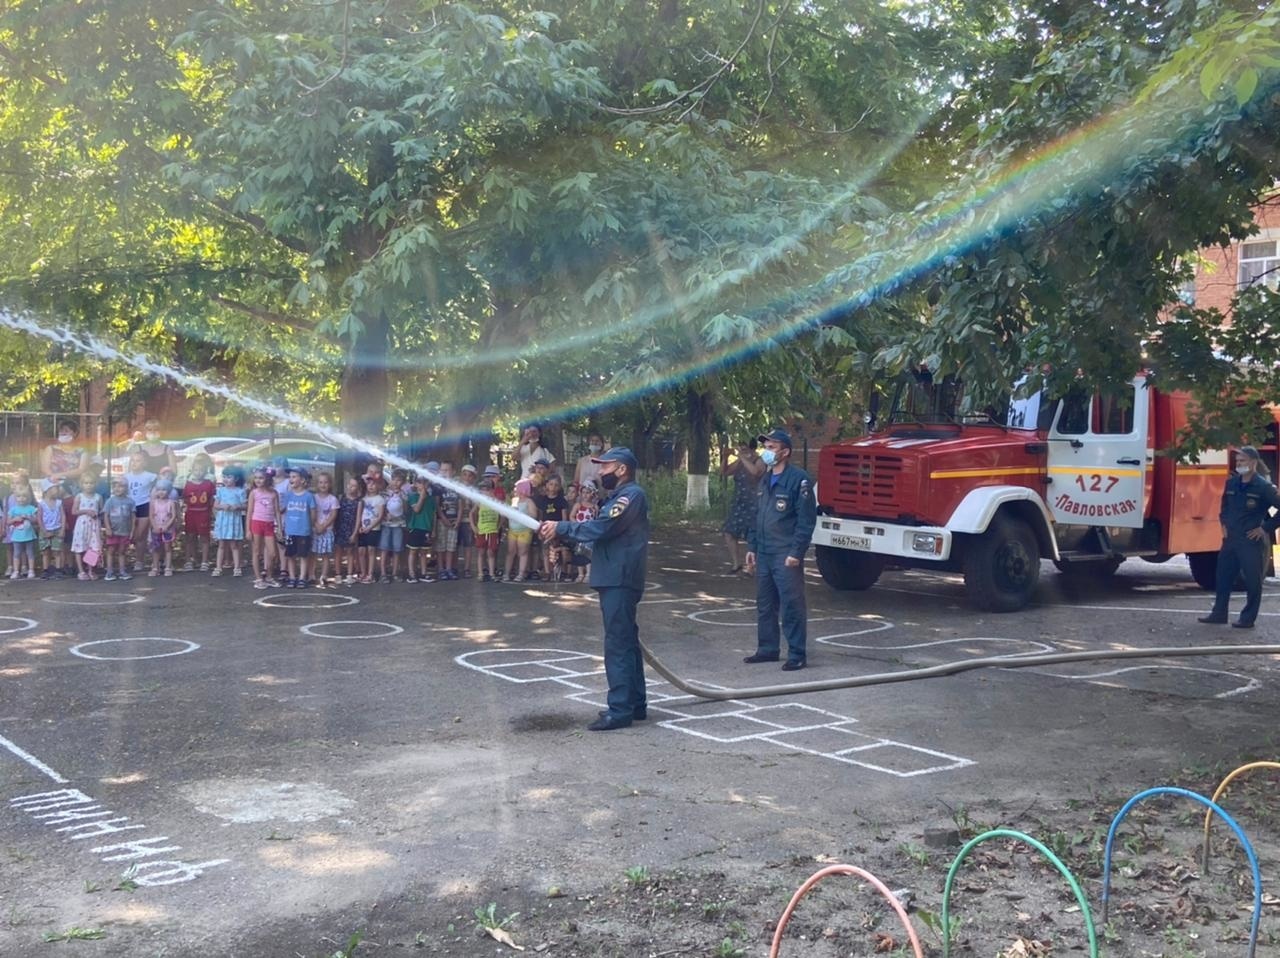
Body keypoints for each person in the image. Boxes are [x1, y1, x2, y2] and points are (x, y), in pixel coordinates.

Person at [540, 447, 649, 731]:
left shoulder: (630, 497)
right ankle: (635, 704)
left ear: (622, 469)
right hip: (614, 576)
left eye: (605, 467)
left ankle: (620, 710)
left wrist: (562, 527)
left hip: (620, 579)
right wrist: (565, 545)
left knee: (618, 645)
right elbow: (598, 543)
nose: (600, 472)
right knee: (626, 642)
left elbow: (601, 528)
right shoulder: (616, 497)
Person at [744, 429, 816, 671]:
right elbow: (757, 516)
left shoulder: (799, 480)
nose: (767, 451)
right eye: (767, 447)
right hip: (764, 551)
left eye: (772, 447)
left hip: (785, 553)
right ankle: (767, 649)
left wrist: (797, 552)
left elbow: (806, 521)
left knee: (791, 604)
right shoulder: (765, 479)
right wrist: (752, 547)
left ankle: (797, 653)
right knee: (765, 603)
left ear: (785, 452)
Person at [1198, 445, 1280, 629]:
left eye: (1243, 461)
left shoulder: (1263, 487)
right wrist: (1223, 524)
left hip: (1251, 541)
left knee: (1252, 581)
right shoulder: (1232, 483)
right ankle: (1219, 613)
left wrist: (1265, 528)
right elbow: (1224, 506)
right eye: (1237, 461)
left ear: (1253, 462)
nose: (1239, 464)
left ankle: (1247, 618)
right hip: (1231, 539)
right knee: (1223, 577)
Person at [721, 439, 765, 574]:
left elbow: (756, 472)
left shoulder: (759, 460)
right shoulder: (741, 462)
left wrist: (742, 457)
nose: (742, 452)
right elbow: (725, 472)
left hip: (755, 503)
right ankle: (736, 564)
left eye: (744, 450)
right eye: (740, 449)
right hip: (739, 502)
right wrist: (725, 457)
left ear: (752, 449)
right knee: (729, 531)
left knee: (753, 536)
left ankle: (751, 567)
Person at [278, 466, 317, 588]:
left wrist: (309, 527)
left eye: (294, 477)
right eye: (290, 477)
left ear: (303, 480)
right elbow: (282, 509)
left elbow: (313, 513)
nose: (291, 479)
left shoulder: (309, 496)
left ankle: (302, 578)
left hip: (303, 531)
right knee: (290, 555)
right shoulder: (288, 495)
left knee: (303, 555)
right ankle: (292, 577)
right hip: (290, 530)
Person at [181, 455, 216, 572]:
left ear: (205, 471)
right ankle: (190, 559)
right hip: (191, 514)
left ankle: (205, 561)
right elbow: (185, 499)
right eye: (196, 470)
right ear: (192, 470)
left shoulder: (208, 484)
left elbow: (212, 499)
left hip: (203, 513)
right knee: (190, 537)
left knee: (204, 538)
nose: (198, 472)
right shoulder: (188, 484)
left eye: (201, 470)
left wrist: (212, 512)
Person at [124, 450, 157, 572]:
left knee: (140, 536)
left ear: (145, 463)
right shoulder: (126, 477)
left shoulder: (151, 476)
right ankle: (125, 558)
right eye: (132, 460)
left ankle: (139, 560)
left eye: (138, 461)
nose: (134, 463)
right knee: (129, 534)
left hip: (144, 505)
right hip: (129, 507)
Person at [247, 467, 280, 588]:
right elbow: (249, 512)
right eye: (256, 478)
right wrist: (248, 530)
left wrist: (280, 528)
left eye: (261, 478)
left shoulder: (273, 493)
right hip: (256, 523)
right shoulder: (254, 493)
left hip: (269, 524)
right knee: (257, 551)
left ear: (267, 479)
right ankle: (258, 578)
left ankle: (269, 576)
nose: (258, 480)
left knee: (272, 553)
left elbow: (277, 511)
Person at [212, 466, 247, 577]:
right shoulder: (220, 490)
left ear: (236, 479)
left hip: (233, 521)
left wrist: (237, 507)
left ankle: (237, 567)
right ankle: (218, 567)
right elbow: (216, 505)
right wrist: (223, 506)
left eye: (229, 477)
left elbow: (245, 505)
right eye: (224, 477)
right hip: (223, 520)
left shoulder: (240, 491)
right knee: (221, 545)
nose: (226, 479)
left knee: (234, 545)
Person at [69, 472, 103, 581]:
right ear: (81, 484)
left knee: (92, 547)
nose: (89, 485)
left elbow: (101, 510)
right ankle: (81, 571)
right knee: (80, 547)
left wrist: (97, 514)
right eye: (86, 483)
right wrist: (86, 511)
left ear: (95, 484)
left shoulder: (98, 497)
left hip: (93, 525)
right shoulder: (79, 496)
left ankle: (91, 570)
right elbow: (74, 511)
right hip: (82, 525)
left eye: (91, 483)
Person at [103, 478, 136, 581]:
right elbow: (106, 515)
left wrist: (132, 531)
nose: (118, 488)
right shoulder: (110, 501)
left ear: (126, 488)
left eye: (121, 486)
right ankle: (109, 571)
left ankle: (122, 571)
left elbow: (133, 517)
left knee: (122, 551)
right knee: (111, 551)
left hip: (125, 531)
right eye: (115, 486)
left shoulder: (130, 501)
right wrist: (108, 528)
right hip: (113, 531)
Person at [504, 479, 537, 582]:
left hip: (525, 531)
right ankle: (506, 573)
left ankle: (521, 573)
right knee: (510, 552)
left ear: (523, 489)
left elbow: (534, 515)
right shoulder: (513, 500)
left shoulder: (529, 502)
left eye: (516, 488)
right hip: (513, 530)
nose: (514, 489)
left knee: (522, 552)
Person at [405, 473, 436, 583]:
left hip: (426, 528)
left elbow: (433, 516)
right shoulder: (413, 496)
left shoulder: (432, 499)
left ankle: (424, 573)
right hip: (415, 527)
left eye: (425, 482)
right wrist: (422, 498)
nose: (422, 485)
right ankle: (411, 573)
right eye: (419, 482)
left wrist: (433, 530)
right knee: (413, 551)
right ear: (416, 484)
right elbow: (417, 509)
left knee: (424, 552)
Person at [378, 470, 408, 583]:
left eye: (399, 480)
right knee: (384, 548)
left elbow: (405, 510)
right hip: (386, 524)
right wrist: (386, 515)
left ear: (402, 482)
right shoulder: (384, 493)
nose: (396, 482)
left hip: (398, 525)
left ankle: (395, 573)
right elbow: (381, 508)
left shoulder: (404, 494)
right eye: (394, 479)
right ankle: (383, 573)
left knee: (397, 549)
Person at [40, 421, 88, 488]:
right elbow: (45, 468)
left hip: (73, 485)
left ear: (75, 433)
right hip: (52, 484)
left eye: (66, 431)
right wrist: (53, 478)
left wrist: (61, 475)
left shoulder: (82, 451)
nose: (63, 433)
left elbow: (81, 470)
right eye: (61, 431)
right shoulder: (50, 449)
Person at [472, 477, 503, 582]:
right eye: (482, 489)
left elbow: (503, 515)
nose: (484, 492)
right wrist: (473, 527)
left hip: (492, 531)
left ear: (492, 490)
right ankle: (480, 573)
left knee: (491, 553)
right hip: (481, 531)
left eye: (487, 489)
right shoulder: (480, 502)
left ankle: (491, 573)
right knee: (481, 552)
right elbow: (472, 513)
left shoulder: (496, 502)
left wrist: (498, 527)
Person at [435, 462, 462, 580]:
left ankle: (449, 568)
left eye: (447, 470)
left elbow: (461, 505)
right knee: (441, 546)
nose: (444, 473)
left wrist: (459, 520)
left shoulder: (457, 486)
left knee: (451, 546)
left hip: (454, 520)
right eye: (442, 470)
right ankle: (441, 569)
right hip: (441, 521)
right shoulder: (438, 486)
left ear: (453, 471)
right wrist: (443, 519)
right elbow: (436, 505)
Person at [335, 477, 364, 584]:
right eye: (349, 484)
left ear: (358, 488)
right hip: (340, 527)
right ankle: (338, 574)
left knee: (350, 552)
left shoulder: (359, 502)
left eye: (353, 486)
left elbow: (358, 518)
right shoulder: (341, 497)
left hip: (351, 529)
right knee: (338, 551)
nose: (350, 487)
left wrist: (355, 533)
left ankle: (349, 574)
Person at [312, 471, 338, 587]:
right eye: (320, 482)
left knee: (326, 555)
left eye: (326, 482)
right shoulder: (313, 498)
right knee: (312, 554)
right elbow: (311, 513)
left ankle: (324, 575)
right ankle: (311, 574)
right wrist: (317, 525)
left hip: (327, 530)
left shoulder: (333, 499)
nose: (323, 485)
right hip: (314, 530)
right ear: (317, 484)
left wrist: (324, 526)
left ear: (330, 484)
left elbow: (333, 515)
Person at [148, 479, 178, 576]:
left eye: (164, 490)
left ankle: (168, 567)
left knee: (167, 548)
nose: (161, 492)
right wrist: (154, 526)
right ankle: (155, 568)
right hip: (156, 529)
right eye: (159, 489)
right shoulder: (153, 503)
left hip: (167, 529)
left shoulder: (171, 503)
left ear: (168, 491)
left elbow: (173, 516)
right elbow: (151, 516)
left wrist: (167, 526)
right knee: (156, 548)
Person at [37, 484, 67, 578]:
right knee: (45, 551)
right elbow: (39, 517)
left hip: (57, 528)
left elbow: (63, 515)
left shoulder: (59, 502)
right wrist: (43, 530)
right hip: (45, 529)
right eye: (55, 488)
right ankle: (45, 570)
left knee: (57, 550)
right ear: (48, 490)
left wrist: (62, 529)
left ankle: (58, 569)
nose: (58, 490)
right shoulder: (41, 503)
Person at [8, 489, 37, 579]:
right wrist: (15, 519)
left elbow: (36, 520)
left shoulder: (31, 508)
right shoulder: (13, 509)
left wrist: (28, 517)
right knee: (16, 553)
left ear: (28, 498)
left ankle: (31, 570)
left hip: (29, 535)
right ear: (15, 498)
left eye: (24, 496)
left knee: (30, 553)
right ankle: (16, 571)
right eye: (19, 496)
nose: (21, 499)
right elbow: (8, 521)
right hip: (17, 536)